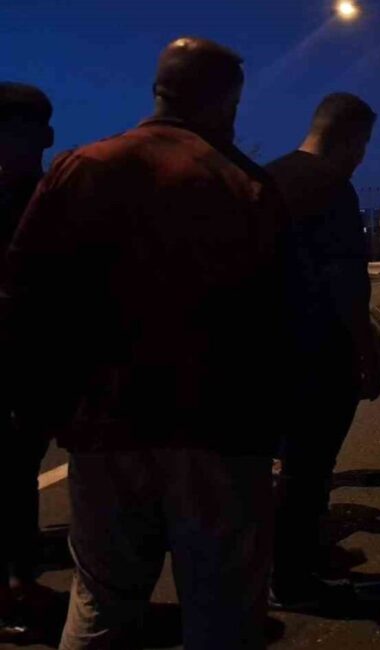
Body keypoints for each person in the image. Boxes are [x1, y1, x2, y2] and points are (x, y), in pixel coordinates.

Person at [4, 37, 289, 649]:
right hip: (217, 430)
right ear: (225, 101)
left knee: (102, 601)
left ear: (160, 90)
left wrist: (45, 408)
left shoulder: (84, 168)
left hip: (106, 427)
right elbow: (275, 318)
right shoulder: (244, 186)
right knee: (221, 610)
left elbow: (25, 298)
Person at [264, 93, 380, 610]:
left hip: (267, 348)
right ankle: (293, 578)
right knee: (308, 470)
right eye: (363, 145)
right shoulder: (333, 187)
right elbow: (346, 281)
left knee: (280, 464)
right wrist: (368, 351)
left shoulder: (265, 178)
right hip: (319, 352)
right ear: (350, 137)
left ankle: (289, 558)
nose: (361, 157)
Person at [0, 82, 56, 641]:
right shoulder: (32, 199)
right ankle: (12, 590)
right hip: (16, 368)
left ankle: (19, 581)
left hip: (28, 368)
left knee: (16, 480)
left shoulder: (39, 196)